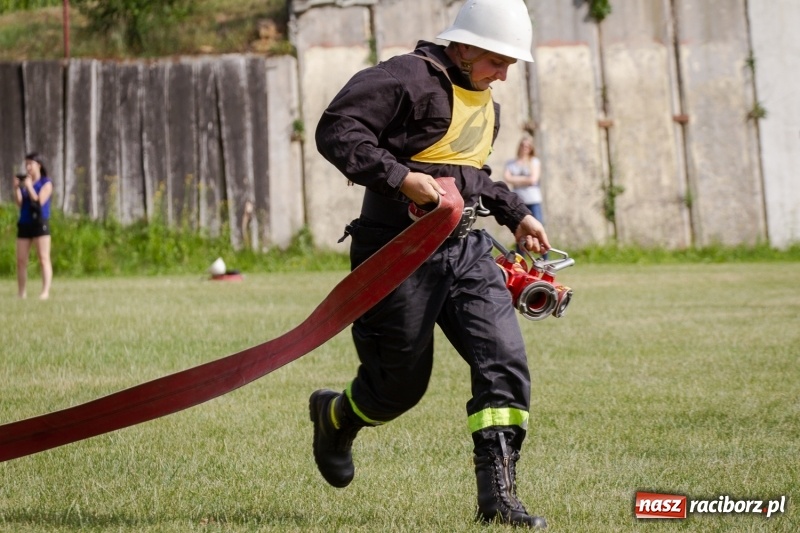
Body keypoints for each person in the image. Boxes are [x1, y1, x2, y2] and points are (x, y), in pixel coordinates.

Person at [310, 0, 549, 528]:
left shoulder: (485, 101)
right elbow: (337, 129)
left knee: (503, 361)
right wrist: (398, 177)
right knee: (398, 388)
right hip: (395, 253)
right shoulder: (403, 78)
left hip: (466, 250)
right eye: (495, 61)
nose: (503, 75)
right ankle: (334, 416)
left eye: (510, 65)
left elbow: (471, 175)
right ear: (462, 47)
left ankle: (499, 501)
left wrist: (515, 215)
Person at [14, 152, 53, 300]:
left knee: (43, 258)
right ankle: (21, 292)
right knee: (21, 260)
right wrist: (17, 188)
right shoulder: (26, 183)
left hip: (39, 223)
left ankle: (45, 292)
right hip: (24, 223)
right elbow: (20, 203)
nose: (28, 167)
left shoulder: (46, 183)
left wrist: (29, 187)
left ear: (39, 165)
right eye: (26, 164)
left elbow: (38, 202)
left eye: (30, 164)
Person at [503, 136, 543, 224]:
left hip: (533, 200)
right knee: (520, 228)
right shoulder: (511, 163)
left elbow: (533, 179)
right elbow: (507, 178)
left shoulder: (534, 161)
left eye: (527, 146)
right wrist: (526, 179)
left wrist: (515, 179)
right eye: (523, 145)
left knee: (537, 226)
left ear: (531, 148)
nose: (524, 148)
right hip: (519, 202)